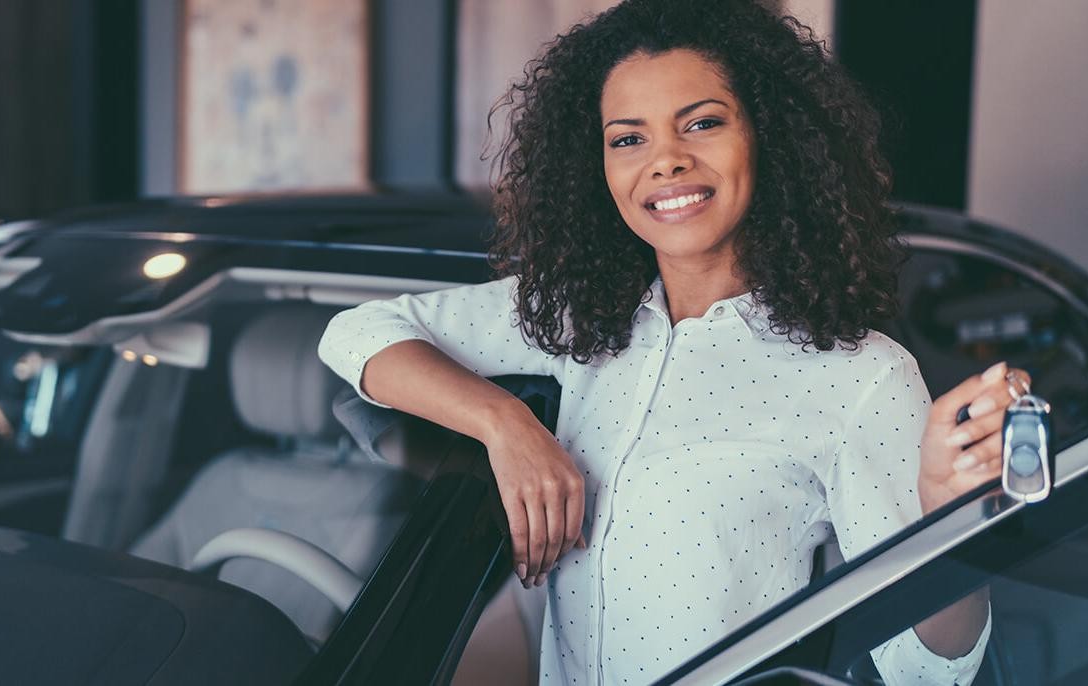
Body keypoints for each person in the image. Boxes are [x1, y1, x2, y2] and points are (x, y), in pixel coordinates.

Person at [319, 0, 1025, 683]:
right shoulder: (568, 319)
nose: (665, 161)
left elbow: (926, 672)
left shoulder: (860, 376)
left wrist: (950, 523)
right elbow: (357, 334)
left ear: (769, 136)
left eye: (702, 123)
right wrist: (502, 424)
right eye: (629, 138)